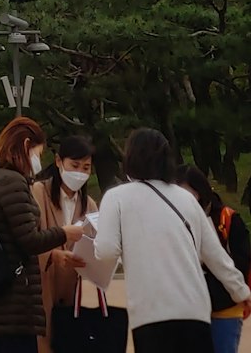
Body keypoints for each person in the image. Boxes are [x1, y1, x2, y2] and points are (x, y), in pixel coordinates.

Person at [93, 128, 251, 353]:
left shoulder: (117, 197)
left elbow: (107, 251)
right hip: (195, 312)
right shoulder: (185, 198)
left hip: (152, 314)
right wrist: (241, 292)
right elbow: (216, 257)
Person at [0, 116, 88, 353]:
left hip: (1, 302)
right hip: (13, 304)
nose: (39, 160)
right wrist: (65, 233)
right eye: (39, 152)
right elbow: (29, 240)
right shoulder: (12, 182)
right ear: (26, 145)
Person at [32, 134, 97, 353]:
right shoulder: (39, 192)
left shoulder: (89, 205)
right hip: (41, 290)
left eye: (86, 168)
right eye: (75, 165)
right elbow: (29, 239)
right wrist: (53, 255)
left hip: (70, 295)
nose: (79, 173)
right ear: (59, 161)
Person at [180, 166, 251, 353]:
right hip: (190, 310)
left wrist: (209, 258)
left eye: (188, 193)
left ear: (201, 191)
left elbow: (241, 264)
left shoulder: (228, 219)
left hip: (225, 308)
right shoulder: (174, 222)